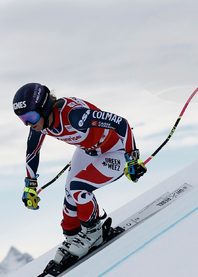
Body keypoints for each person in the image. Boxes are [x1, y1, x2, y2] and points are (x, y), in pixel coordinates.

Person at [12, 82, 146, 267]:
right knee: (70, 196)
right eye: (23, 119)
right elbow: (32, 153)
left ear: (44, 109)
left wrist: (132, 158)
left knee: (79, 188)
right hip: (88, 151)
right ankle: (73, 237)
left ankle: (93, 233)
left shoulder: (76, 117)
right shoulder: (39, 125)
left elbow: (120, 123)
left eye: (31, 117)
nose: (28, 123)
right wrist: (30, 187)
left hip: (115, 151)